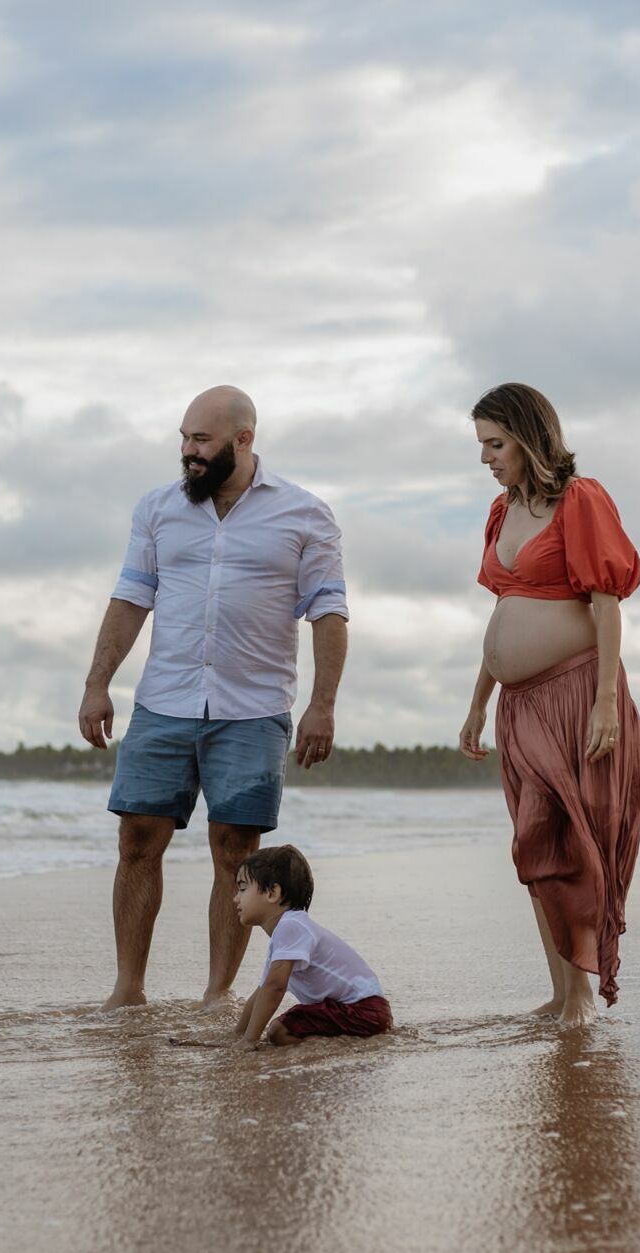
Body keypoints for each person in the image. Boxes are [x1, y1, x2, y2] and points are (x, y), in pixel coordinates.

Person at [79, 386, 350, 1012]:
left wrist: (323, 703)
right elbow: (130, 599)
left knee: (237, 855)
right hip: (164, 701)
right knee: (137, 841)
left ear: (243, 440)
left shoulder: (305, 514)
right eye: (183, 438)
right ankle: (128, 988)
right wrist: (98, 683)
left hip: (253, 710)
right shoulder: (157, 509)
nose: (188, 452)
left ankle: (217, 992)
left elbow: (329, 613)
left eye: (201, 440)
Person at [457, 383, 640, 1027]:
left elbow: (605, 604)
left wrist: (604, 705)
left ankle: (582, 999)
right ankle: (563, 993)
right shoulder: (499, 513)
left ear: (530, 438)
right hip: (519, 704)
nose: (486, 457)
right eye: (481, 444)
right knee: (534, 844)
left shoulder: (580, 500)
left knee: (575, 842)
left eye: (495, 443)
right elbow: (503, 612)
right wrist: (478, 703)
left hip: (575, 692)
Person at [231, 845, 390, 1048]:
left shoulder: (291, 926)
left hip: (362, 1011)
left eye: (243, 889)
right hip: (365, 1010)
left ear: (272, 893)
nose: (236, 898)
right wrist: (238, 1034)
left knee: (278, 1032)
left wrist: (249, 1040)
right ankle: (341, 1042)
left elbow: (275, 987)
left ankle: (339, 1046)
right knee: (284, 1028)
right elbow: (262, 991)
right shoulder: (286, 933)